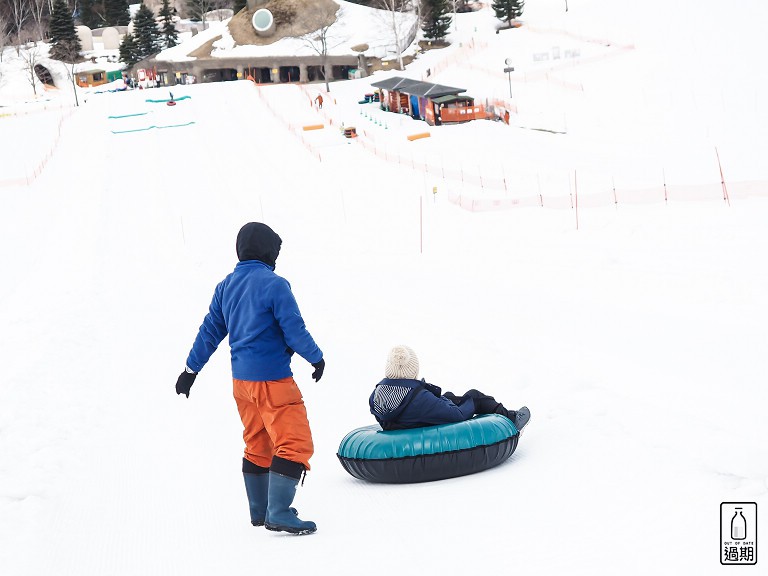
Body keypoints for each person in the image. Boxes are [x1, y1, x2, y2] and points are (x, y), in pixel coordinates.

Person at [175, 222, 325, 535]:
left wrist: (190, 371)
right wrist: (316, 357)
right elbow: (294, 331)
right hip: (273, 381)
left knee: (258, 442)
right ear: (269, 251)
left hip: (242, 384)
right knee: (294, 442)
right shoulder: (275, 285)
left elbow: (209, 332)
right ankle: (280, 511)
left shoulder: (226, 287)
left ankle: (260, 510)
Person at [369, 345, 530, 432]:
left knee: (450, 395)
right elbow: (457, 415)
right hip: (422, 418)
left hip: (408, 421)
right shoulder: (421, 398)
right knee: (474, 396)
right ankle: (512, 419)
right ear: (413, 370)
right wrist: (468, 402)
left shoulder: (376, 396)